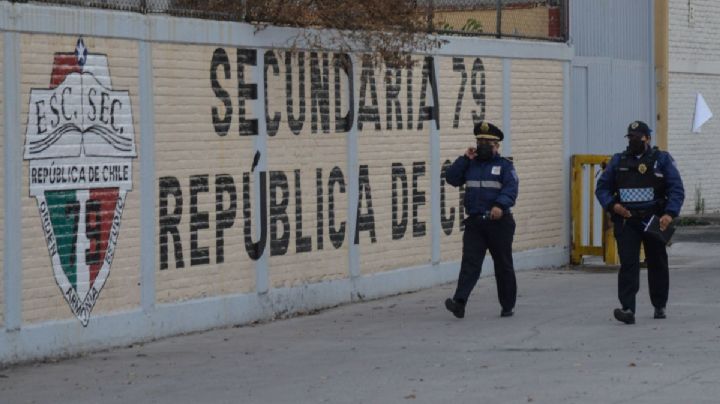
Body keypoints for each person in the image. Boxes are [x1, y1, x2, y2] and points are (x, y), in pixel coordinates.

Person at [595, 120, 684, 325]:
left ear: (648, 138)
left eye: (638, 137)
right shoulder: (618, 161)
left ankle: (659, 305)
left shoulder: (661, 160)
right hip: (628, 220)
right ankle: (627, 308)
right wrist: (613, 206)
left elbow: (676, 188)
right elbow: (602, 189)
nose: (634, 141)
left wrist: (669, 214)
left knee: (657, 262)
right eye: (631, 137)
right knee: (628, 264)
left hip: (654, 219)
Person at [444, 121, 519, 319]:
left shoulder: (505, 166)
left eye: (488, 142)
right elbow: (451, 178)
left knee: (502, 264)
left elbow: (511, 189)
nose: (483, 145)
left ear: (497, 146)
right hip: (475, 223)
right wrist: (464, 158)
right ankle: (459, 303)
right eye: (480, 141)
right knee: (470, 263)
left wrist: (499, 206)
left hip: (499, 223)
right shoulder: (470, 164)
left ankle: (507, 304)